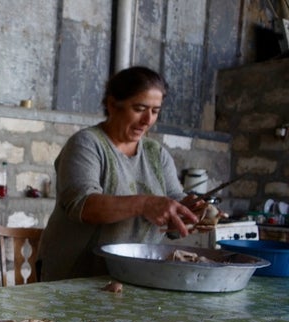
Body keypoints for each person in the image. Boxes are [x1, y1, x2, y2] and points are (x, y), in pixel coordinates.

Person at [38, 66, 201, 281]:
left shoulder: (156, 153)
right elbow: (83, 206)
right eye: (140, 108)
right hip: (75, 276)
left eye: (155, 111)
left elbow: (173, 199)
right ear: (112, 105)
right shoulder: (87, 144)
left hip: (133, 275)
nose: (147, 120)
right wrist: (145, 204)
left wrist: (190, 211)